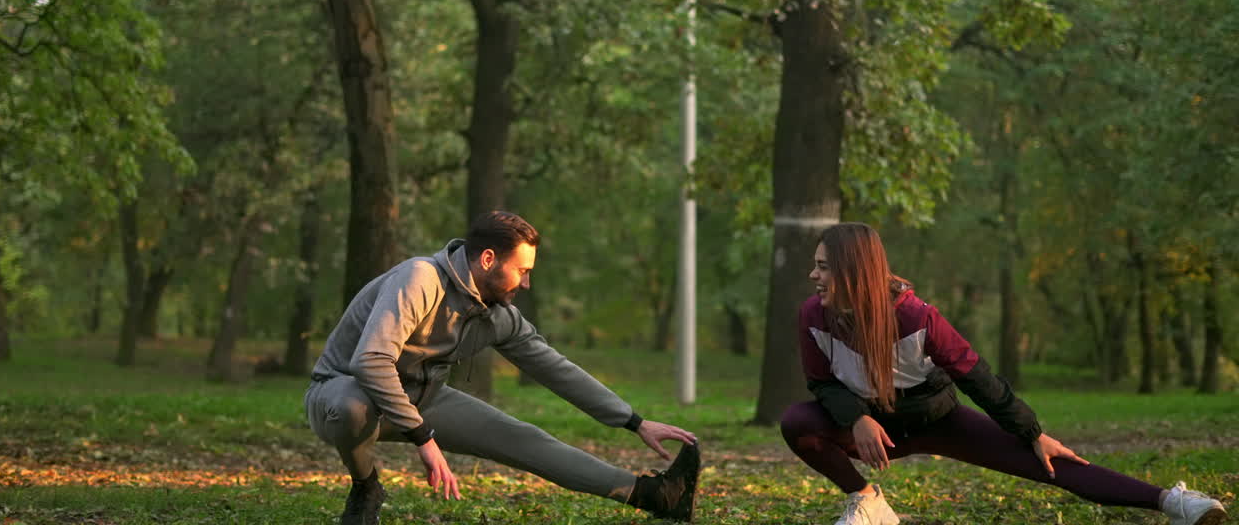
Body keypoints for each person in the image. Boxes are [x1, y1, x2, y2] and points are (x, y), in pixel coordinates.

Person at [780, 222, 1228, 525]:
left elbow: (978, 378)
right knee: (798, 422)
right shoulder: (813, 317)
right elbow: (821, 382)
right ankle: (868, 502)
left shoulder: (917, 318)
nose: (813, 275)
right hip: (874, 430)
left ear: (853, 270)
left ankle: (1173, 502)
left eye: (823, 266)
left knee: (1050, 465)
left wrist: (1031, 432)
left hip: (936, 419)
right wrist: (858, 417)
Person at [306, 211, 701, 525]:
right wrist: (424, 439)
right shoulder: (419, 279)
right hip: (341, 393)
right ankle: (366, 487)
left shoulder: (497, 315)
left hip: (423, 400)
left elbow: (556, 370)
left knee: (526, 439)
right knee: (352, 406)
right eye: (522, 270)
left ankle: (656, 496)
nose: (526, 283)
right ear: (488, 259)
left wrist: (634, 421)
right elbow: (371, 361)